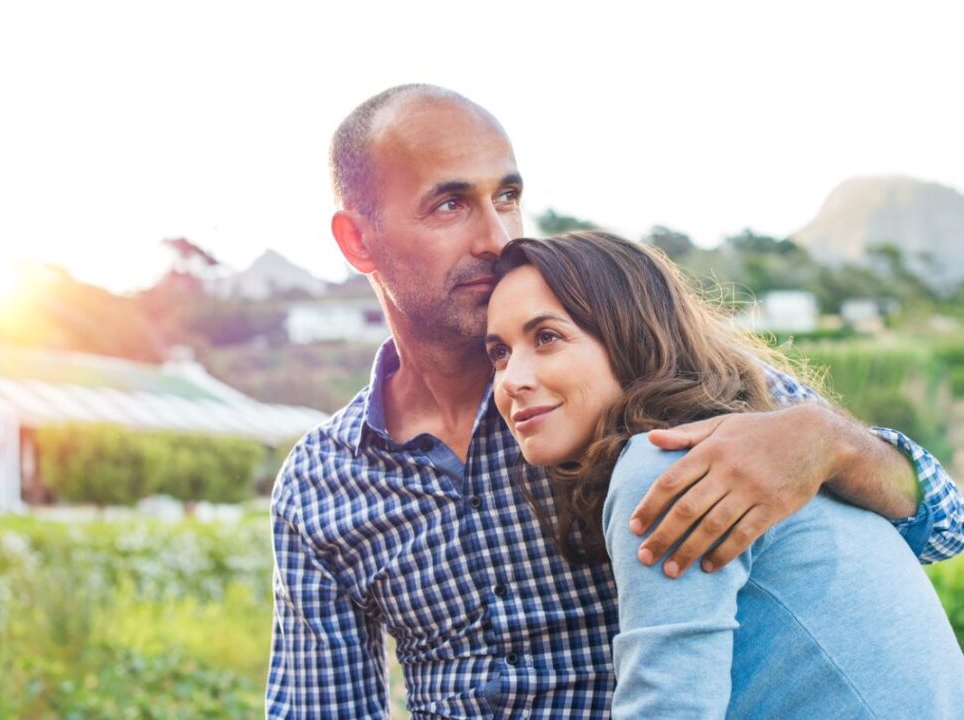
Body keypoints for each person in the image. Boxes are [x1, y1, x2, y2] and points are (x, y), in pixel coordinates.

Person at [267, 84, 964, 718]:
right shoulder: (319, 484)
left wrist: (830, 443)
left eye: (506, 198)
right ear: (358, 240)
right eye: (450, 205)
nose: (496, 237)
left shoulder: (663, 394)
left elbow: (945, 526)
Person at [485, 231, 963, 718]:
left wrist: (835, 439)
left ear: (629, 336)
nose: (511, 379)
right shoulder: (737, 434)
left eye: (547, 338)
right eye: (499, 352)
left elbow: (669, 709)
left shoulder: (669, 461)